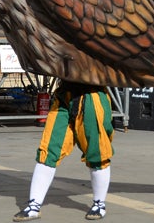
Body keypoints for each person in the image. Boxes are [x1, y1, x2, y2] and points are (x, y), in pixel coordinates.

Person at [13, 81, 114, 221]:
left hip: (92, 96)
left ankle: (99, 204)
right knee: (49, 149)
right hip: (64, 95)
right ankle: (34, 205)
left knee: (97, 152)